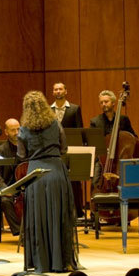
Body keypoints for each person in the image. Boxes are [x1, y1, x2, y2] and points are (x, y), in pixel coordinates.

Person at [17, 91, 77, 273]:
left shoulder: (23, 129)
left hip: (36, 175)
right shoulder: (55, 124)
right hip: (57, 172)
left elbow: (21, 155)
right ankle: (62, 261)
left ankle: (42, 262)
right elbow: (64, 148)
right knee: (59, 217)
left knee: (39, 219)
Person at [51, 82, 86, 217]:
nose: (58, 91)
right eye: (56, 89)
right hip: (55, 151)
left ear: (66, 91)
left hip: (71, 150)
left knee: (74, 181)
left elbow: (79, 129)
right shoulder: (49, 110)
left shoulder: (74, 109)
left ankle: (77, 211)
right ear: (53, 93)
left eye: (60, 89)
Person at [89, 89, 138, 187]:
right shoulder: (95, 121)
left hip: (120, 159)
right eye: (101, 102)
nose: (103, 104)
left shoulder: (123, 120)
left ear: (113, 103)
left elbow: (134, 139)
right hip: (102, 159)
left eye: (106, 102)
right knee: (95, 183)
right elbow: (93, 143)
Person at [0, 118, 22, 236]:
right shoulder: (0, 150)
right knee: (5, 201)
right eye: (13, 130)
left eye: (18, 129)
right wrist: (4, 189)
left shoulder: (27, 148)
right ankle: (19, 231)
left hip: (24, 187)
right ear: (6, 132)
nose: (17, 132)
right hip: (8, 187)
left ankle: (31, 229)